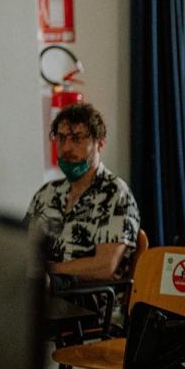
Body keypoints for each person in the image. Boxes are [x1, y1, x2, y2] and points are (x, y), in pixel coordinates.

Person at [25, 102, 140, 282]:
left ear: (99, 143)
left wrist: (48, 271)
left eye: (77, 138)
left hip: (85, 304)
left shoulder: (115, 194)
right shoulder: (47, 193)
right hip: (42, 298)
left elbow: (105, 266)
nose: (67, 148)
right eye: (61, 138)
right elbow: (23, 250)